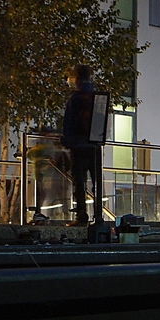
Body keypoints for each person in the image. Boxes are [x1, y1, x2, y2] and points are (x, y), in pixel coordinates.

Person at [61, 64, 99, 226]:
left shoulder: (75, 98)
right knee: (96, 182)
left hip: (78, 146)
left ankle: (82, 216)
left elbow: (68, 122)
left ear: (76, 79)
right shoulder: (97, 97)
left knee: (79, 182)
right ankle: (98, 216)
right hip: (95, 146)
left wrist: (67, 141)